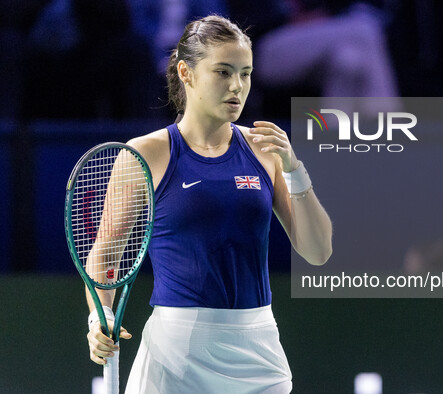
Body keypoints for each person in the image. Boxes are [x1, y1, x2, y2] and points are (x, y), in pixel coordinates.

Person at [85, 14, 333, 393]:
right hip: (177, 350)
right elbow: (106, 255)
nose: (237, 86)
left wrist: (295, 168)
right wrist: (99, 317)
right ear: (186, 73)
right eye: (223, 72)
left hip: (258, 346)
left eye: (246, 73)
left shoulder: (265, 151)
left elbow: (318, 252)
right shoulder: (145, 154)